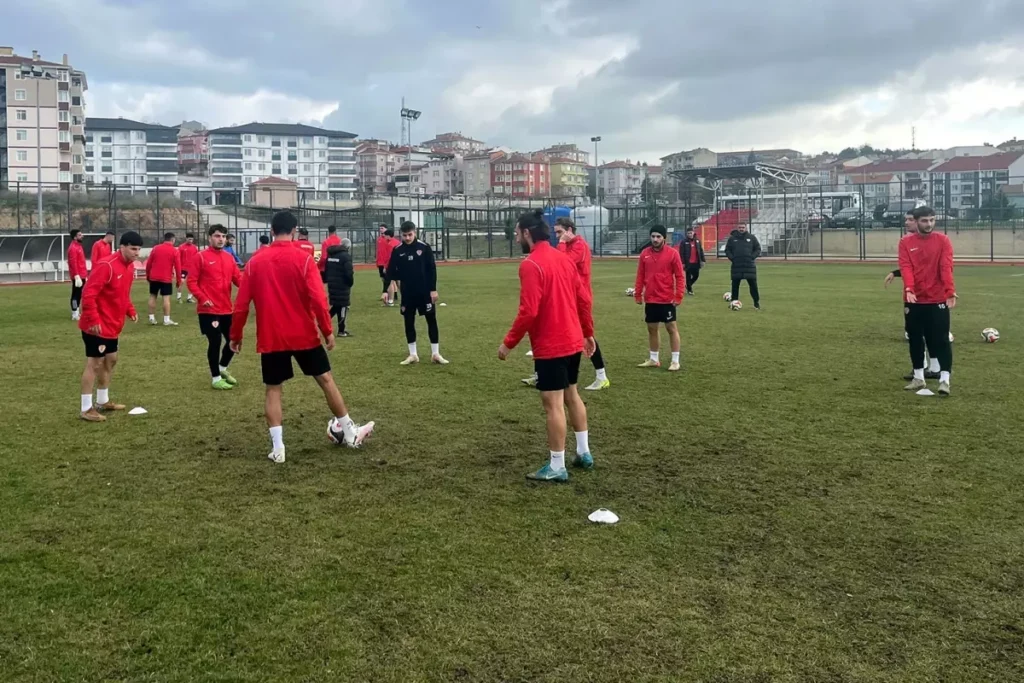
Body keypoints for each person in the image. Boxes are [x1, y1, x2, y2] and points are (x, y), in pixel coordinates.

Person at [230, 210, 374, 463]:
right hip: (304, 334)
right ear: (294, 231)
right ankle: (350, 432)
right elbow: (318, 299)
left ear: (271, 231)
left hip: (272, 336)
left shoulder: (254, 263)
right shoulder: (304, 259)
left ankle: (278, 449)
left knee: (273, 389)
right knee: (326, 380)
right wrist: (327, 331)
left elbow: (241, 305)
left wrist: (236, 334)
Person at [498, 209, 596, 482]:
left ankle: (556, 465)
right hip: (573, 340)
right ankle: (584, 452)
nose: (516, 237)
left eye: (517, 233)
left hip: (552, 344)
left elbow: (528, 311)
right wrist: (588, 333)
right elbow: (583, 299)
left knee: (553, 404)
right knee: (572, 395)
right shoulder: (563, 259)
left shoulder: (531, 265)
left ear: (527, 233)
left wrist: (508, 343)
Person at [523, 217, 610, 391]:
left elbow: (563, 261)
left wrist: (562, 243)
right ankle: (540, 375)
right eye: (555, 233)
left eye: (560, 232)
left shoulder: (580, 246)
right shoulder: (567, 246)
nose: (557, 236)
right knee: (548, 330)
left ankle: (601, 376)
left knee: (586, 335)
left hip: (579, 298)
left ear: (569, 230)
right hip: (566, 297)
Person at [77, 231, 143, 422]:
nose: (136, 253)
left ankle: (102, 401)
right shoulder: (106, 265)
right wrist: (93, 319)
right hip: (96, 326)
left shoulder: (129, 267)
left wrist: (130, 309)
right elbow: (88, 294)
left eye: (138, 249)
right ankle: (85, 408)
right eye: (133, 249)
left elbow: (123, 293)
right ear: (122, 247)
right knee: (95, 363)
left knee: (111, 360)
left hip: (112, 325)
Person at [898, 206, 956, 396]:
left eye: (932, 220)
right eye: (924, 221)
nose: (929, 224)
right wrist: (909, 288)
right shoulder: (905, 242)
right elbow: (906, 267)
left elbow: (946, 267)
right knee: (915, 338)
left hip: (937, 298)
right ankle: (918, 378)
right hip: (914, 299)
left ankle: (944, 380)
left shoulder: (943, 240)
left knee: (941, 339)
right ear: (916, 222)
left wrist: (949, 291)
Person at [885, 211, 941, 381]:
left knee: (921, 332)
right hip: (916, 292)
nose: (907, 223)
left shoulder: (932, 241)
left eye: (910, 220)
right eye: (906, 220)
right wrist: (896, 273)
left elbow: (924, 267)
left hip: (927, 294)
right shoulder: (908, 241)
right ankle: (928, 367)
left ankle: (927, 368)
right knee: (919, 332)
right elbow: (911, 266)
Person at [382, 221, 448, 365]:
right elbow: (391, 271)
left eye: (410, 235)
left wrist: (433, 289)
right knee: (408, 321)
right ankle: (413, 354)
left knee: (431, 320)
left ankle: (435, 353)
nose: (407, 238)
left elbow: (432, 269)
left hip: (424, 291)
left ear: (415, 232)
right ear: (401, 234)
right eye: (404, 235)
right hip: (407, 292)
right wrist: (385, 290)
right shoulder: (398, 250)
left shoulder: (424, 247)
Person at [187, 224, 241, 391]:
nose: (221, 239)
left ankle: (222, 368)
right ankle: (215, 378)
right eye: (217, 236)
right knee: (215, 341)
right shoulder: (200, 257)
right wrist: (203, 298)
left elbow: (238, 279)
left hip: (227, 308)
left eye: (223, 236)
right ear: (210, 237)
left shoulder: (229, 258)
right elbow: (191, 282)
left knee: (234, 341)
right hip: (208, 310)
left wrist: (252, 290)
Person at [634, 225, 684, 371]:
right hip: (650, 298)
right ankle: (654, 359)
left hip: (667, 299)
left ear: (664, 238)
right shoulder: (644, 254)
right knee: (652, 329)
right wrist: (638, 293)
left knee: (671, 328)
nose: (655, 239)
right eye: (653, 236)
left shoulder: (673, 253)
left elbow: (680, 276)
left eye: (658, 237)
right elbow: (640, 275)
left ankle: (675, 361)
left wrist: (678, 295)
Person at [145, 232, 180, 326]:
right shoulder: (174, 251)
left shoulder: (156, 248)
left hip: (154, 277)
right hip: (166, 278)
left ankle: (151, 318)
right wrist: (178, 280)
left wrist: (148, 275)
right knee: (166, 298)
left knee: (153, 296)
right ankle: (166, 320)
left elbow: (149, 263)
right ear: (173, 240)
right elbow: (178, 267)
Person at [725, 223, 762, 309]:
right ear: (737, 228)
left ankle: (756, 303)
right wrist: (732, 258)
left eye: (743, 227)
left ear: (746, 228)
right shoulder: (732, 238)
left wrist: (752, 257)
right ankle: (734, 303)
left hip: (749, 266)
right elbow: (727, 250)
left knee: (753, 286)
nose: (741, 229)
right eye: (740, 227)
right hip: (737, 265)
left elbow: (758, 249)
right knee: (735, 286)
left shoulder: (751, 238)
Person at [324, 237, 355, 337]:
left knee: (336, 305)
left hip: (332, 284)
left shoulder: (331, 255)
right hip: (342, 285)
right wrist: (350, 283)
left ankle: (323, 322)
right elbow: (349, 273)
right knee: (343, 306)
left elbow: (326, 269)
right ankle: (341, 330)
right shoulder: (346, 256)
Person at [678, 227, 706, 296]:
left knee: (696, 276)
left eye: (690, 233)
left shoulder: (697, 241)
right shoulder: (684, 242)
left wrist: (703, 260)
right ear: (686, 234)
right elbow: (681, 253)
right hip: (688, 263)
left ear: (693, 233)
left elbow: (701, 251)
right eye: (688, 233)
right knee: (688, 276)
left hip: (696, 262)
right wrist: (683, 262)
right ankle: (690, 290)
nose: (689, 234)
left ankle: (688, 285)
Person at [376, 224, 399, 305]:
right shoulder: (397, 242)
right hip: (398, 265)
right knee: (398, 282)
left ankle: (390, 300)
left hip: (391, 265)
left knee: (390, 282)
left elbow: (389, 257)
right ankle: (405, 298)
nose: (384, 237)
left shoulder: (390, 244)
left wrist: (386, 267)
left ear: (388, 235)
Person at [67, 229, 88, 321]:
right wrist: (76, 275)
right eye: (79, 235)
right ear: (75, 237)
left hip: (82, 274)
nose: (82, 236)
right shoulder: (73, 248)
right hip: (78, 275)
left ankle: (77, 311)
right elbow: (73, 262)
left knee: (79, 294)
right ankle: (74, 312)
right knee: (75, 294)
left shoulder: (78, 246)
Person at [177, 233, 199, 303]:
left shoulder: (194, 247)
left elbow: (196, 258)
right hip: (183, 268)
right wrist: (178, 267)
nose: (190, 241)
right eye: (189, 239)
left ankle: (189, 298)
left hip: (192, 269)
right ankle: (179, 298)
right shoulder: (181, 247)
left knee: (192, 283)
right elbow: (178, 258)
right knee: (181, 282)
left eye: (192, 239)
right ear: (186, 239)